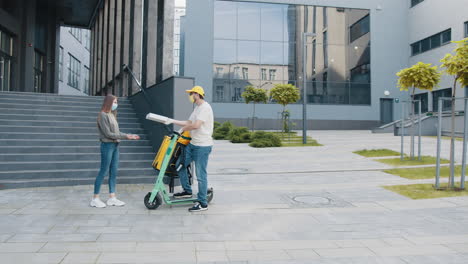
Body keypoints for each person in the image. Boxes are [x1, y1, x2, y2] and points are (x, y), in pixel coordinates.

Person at [167, 86, 214, 212]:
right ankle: (187, 191)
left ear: (197, 94)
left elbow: (196, 125)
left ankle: (203, 203)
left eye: (191, 94)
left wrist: (183, 130)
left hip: (202, 146)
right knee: (180, 165)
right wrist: (172, 121)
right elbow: (189, 122)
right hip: (193, 144)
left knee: (200, 175)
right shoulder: (197, 108)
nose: (190, 96)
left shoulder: (205, 108)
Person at [90, 95, 140, 208]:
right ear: (108, 102)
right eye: (114, 102)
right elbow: (108, 134)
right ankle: (95, 198)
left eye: (116, 102)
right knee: (103, 171)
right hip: (107, 145)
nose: (116, 104)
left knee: (114, 171)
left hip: (115, 145)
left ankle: (112, 197)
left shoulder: (112, 115)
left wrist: (129, 135)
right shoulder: (102, 115)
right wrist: (127, 137)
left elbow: (116, 132)